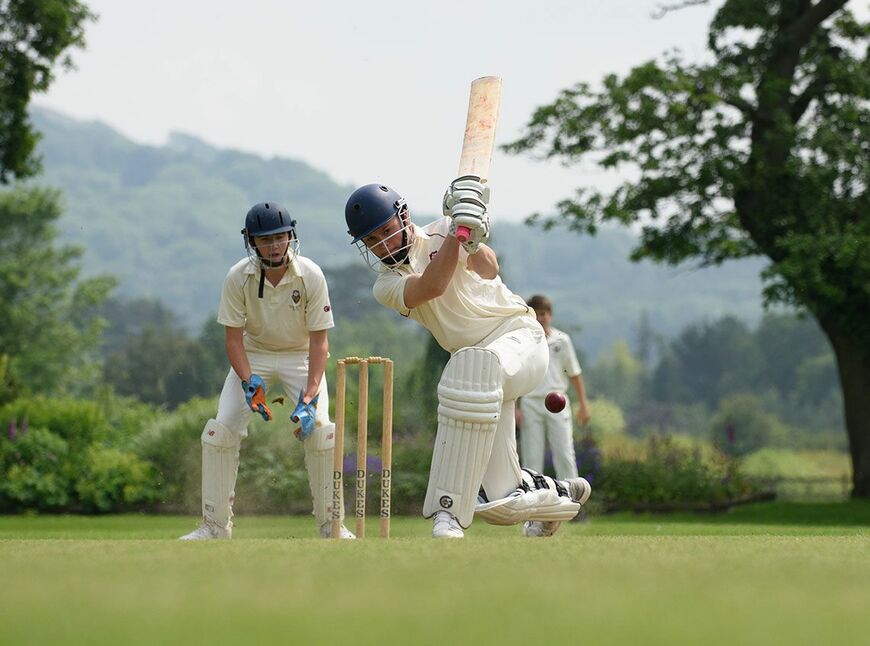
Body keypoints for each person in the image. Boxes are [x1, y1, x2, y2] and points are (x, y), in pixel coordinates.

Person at [344, 178, 592, 538]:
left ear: (403, 216)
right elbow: (431, 287)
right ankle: (557, 494)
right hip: (478, 376)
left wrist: (470, 231)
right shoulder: (385, 285)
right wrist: (457, 237)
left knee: (472, 369)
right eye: (370, 240)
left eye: (385, 230)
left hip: (518, 337)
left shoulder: (444, 229)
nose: (381, 243)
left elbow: (490, 268)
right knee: (501, 497)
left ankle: (447, 513)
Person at [180, 202, 353, 540]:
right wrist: (249, 382)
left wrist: (309, 395)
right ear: (252, 242)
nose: (274, 245)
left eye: (280, 237)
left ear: (291, 236)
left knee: (320, 427)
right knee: (221, 428)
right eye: (265, 239)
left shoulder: (311, 275)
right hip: (254, 355)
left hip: (300, 356)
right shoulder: (237, 277)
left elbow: (320, 343)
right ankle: (214, 527)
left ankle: (331, 525)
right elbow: (233, 340)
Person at [518, 294, 591, 481]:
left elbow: (574, 373)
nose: (542, 318)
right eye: (537, 314)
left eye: (545, 314)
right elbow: (516, 375)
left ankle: (573, 500)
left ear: (550, 315)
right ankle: (532, 501)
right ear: (530, 316)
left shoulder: (562, 340)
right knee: (531, 457)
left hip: (558, 400)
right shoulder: (524, 341)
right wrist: (516, 407)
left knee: (564, 452)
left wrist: (583, 404)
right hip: (531, 401)